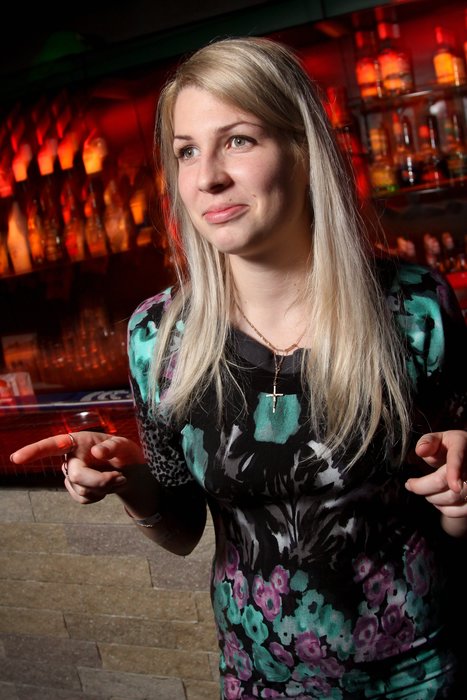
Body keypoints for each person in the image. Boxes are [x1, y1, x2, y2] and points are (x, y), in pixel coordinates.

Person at [10, 37, 467, 699]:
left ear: (302, 150)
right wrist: (131, 479)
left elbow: (452, 506)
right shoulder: (159, 338)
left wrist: (460, 493)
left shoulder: (414, 307)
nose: (207, 178)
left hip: (421, 676)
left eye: (238, 141)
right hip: (261, 683)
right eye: (186, 151)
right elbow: (181, 528)